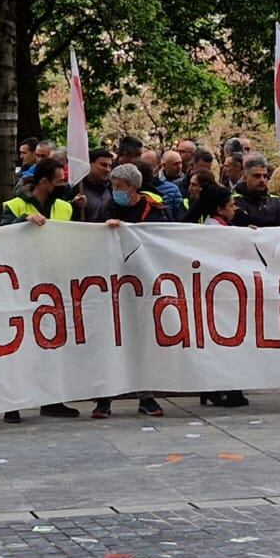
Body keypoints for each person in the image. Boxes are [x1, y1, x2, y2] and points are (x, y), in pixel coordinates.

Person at [0, 162, 81, 421]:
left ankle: (51, 399)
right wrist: (22, 222)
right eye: (58, 181)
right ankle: (14, 402)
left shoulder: (66, 207)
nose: (63, 185)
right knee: (21, 345)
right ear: (43, 182)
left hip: (53, 286)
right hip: (22, 285)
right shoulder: (14, 206)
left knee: (52, 344)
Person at [92, 164, 166, 418]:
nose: (115, 191)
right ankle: (104, 400)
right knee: (110, 342)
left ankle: (146, 397)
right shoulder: (107, 209)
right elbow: (90, 235)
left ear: (133, 188)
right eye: (113, 186)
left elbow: (161, 239)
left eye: (119, 187)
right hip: (111, 285)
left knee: (141, 342)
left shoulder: (154, 211)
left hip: (141, 286)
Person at [232, 155, 280, 227]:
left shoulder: (275, 200)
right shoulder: (234, 200)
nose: (262, 180)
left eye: (265, 176)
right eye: (257, 176)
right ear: (245, 177)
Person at [73, 147, 115, 221]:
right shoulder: (76, 187)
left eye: (110, 166)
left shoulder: (112, 187)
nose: (108, 170)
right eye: (103, 165)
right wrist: (74, 205)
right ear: (90, 164)